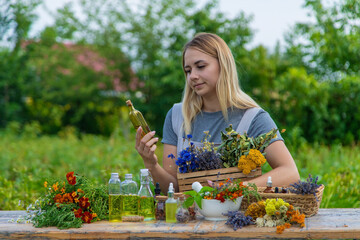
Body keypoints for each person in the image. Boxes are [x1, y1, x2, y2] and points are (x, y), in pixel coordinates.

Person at [135, 33, 300, 193]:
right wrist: (151, 164)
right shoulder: (178, 116)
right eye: (188, 70)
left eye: (200, 66)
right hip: (188, 219)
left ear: (223, 65)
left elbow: (290, 173)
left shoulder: (253, 118)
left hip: (234, 217)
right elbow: (174, 189)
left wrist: (236, 189)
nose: (192, 76)